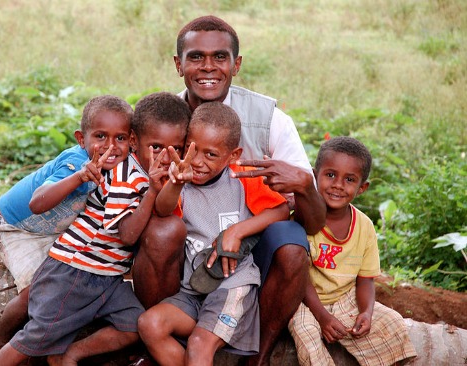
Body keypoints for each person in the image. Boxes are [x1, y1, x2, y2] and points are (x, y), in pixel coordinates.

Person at [131, 15, 327, 366]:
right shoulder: (165, 117)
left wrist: (301, 186)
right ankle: (165, 340)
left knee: (291, 240)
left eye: (220, 57)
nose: (208, 67)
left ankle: (258, 356)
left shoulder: (267, 120)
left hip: (241, 259)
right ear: (179, 65)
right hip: (187, 261)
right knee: (163, 230)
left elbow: (298, 214)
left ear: (236, 64)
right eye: (196, 57)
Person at [0, 91, 192, 366]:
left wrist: (168, 186)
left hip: (107, 275)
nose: (166, 157)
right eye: (156, 147)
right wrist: (153, 193)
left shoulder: (145, 173)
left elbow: (164, 209)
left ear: (128, 140)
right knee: (36, 336)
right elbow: (128, 235)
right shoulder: (124, 177)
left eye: (175, 149)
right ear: (137, 142)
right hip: (74, 270)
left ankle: (69, 354)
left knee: (133, 324)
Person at [138, 102, 290, 365]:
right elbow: (163, 210)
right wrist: (176, 183)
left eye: (210, 155)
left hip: (232, 287)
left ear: (233, 155)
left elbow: (281, 210)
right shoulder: (180, 178)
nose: (197, 162)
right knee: (150, 324)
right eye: (191, 149)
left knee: (199, 345)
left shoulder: (242, 177)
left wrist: (237, 231)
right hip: (193, 290)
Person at [0, 95, 134, 356]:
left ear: (131, 140)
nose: (110, 146)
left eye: (120, 138)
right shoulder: (76, 164)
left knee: (64, 281)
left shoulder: (123, 170)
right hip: (15, 227)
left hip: (55, 231)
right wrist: (79, 177)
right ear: (81, 139)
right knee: (35, 289)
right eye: (100, 136)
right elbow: (37, 203)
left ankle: (53, 345)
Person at [288, 136, 417, 365]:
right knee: (305, 333)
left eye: (349, 179)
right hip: (306, 301)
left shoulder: (364, 226)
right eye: (330, 175)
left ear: (362, 188)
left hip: (346, 298)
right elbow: (299, 277)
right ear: (314, 175)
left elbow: (365, 280)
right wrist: (322, 316)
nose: (338, 185)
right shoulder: (302, 218)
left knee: (393, 322)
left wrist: (366, 312)